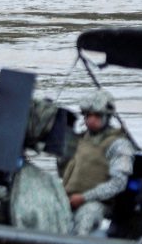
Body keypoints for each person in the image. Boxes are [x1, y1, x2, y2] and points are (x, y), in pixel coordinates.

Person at [59, 90, 137, 235]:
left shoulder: (119, 145)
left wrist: (84, 198)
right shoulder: (81, 140)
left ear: (107, 117)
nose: (91, 120)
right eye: (89, 115)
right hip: (69, 198)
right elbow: (64, 173)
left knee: (86, 216)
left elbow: (118, 183)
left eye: (97, 116)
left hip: (98, 203)